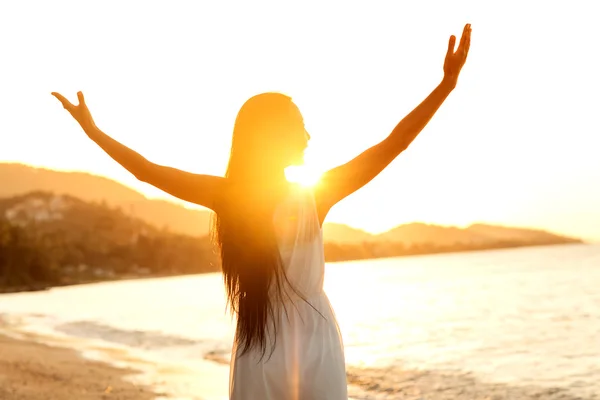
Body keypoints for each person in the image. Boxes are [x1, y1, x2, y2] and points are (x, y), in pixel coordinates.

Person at [52, 23, 471, 400]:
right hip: (311, 340)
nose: (308, 135)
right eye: (298, 125)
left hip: (260, 340)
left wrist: (94, 133)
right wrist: (445, 86)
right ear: (273, 134)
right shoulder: (314, 196)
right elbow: (394, 144)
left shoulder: (236, 196)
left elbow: (147, 172)